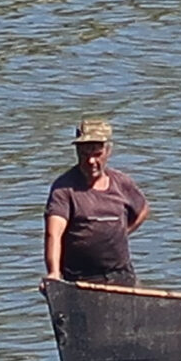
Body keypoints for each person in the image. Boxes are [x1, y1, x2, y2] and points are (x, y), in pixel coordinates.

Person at [44, 117, 149, 286]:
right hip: (81, 279)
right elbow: (53, 234)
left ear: (108, 151)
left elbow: (143, 210)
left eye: (97, 154)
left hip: (121, 275)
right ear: (77, 152)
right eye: (84, 154)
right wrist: (54, 273)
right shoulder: (63, 189)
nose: (91, 161)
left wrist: (122, 232)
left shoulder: (121, 183)